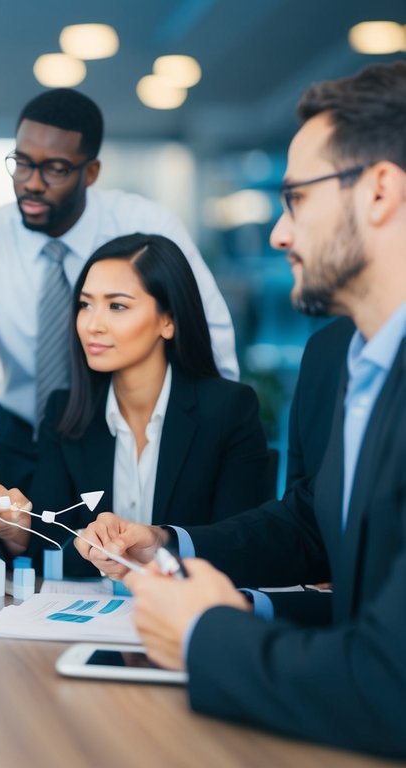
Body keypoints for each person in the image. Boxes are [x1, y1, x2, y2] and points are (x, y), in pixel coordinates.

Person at [74, 61, 406, 758]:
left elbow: (389, 682)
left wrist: (205, 634)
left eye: (295, 200)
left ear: (379, 191)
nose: (279, 234)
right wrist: (168, 544)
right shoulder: (344, 358)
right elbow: (319, 533)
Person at [0, 88, 238, 494]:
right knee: (12, 550)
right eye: (22, 164)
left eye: (56, 169)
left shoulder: (148, 227)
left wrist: (215, 434)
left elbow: (205, 335)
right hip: (19, 437)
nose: (32, 184)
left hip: (129, 432)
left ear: (91, 172)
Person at [0, 234, 267, 575]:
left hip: (187, 617)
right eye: (86, 304)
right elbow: (50, 548)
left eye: (117, 306)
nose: (92, 324)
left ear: (168, 320)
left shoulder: (229, 410)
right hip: (90, 619)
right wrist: (17, 533)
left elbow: (242, 549)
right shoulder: (66, 412)